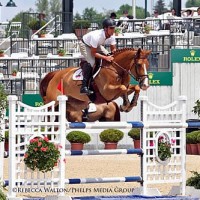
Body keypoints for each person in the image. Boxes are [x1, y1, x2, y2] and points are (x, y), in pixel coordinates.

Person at [78, 18, 117, 95]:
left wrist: (112, 55)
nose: (113, 30)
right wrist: (106, 57)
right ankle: (84, 87)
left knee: (109, 55)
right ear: (105, 29)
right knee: (92, 62)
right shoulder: (96, 36)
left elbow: (113, 49)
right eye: (111, 28)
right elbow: (93, 53)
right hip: (85, 45)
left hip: (96, 45)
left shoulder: (112, 35)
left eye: (114, 28)